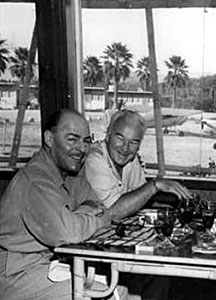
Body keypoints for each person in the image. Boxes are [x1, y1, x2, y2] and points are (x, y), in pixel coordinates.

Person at [0, 109, 192, 300]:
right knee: (107, 294)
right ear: (49, 139)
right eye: (72, 139)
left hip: (54, 262)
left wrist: (81, 217)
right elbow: (73, 231)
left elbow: (98, 206)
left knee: (125, 288)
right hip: (19, 273)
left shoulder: (71, 175)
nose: (81, 149)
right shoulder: (38, 180)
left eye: (86, 141)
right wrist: (90, 217)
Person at [84, 109, 192, 300]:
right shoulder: (95, 158)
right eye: (120, 138)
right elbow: (114, 211)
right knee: (159, 271)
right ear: (108, 135)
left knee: (171, 268)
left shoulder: (130, 161)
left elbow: (139, 198)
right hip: (87, 247)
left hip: (113, 241)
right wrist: (156, 184)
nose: (125, 148)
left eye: (134, 142)